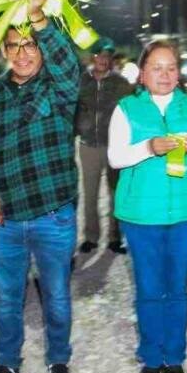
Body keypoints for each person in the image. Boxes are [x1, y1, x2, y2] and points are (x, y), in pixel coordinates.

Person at [0, 0, 81, 373]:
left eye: (28, 45)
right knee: (8, 300)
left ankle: (59, 362)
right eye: (13, 45)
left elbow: (68, 63)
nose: (22, 53)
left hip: (54, 216)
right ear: (3, 50)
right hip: (7, 220)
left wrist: (38, 18)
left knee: (57, 297)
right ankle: (8, 366)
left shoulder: (60, 87)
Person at [108, 40, 187, 373]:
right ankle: (150, 360)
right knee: (148, 289)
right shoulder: (126, 108)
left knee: (177, 289)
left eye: (171, 67)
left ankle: (174, 359)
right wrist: (149, 147)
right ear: (142, 74)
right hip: (141, 215)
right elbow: (115, 158)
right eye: (157, 68)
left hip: (186, 213)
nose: (165, 74)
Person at [75, 42, 133, 254]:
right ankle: (90, 237)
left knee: (115, 194)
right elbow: (71, 107)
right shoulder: (81, 81)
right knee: (89, 195)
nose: (102, 59)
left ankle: (115, 238)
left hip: (113, 147)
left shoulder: (121, 83)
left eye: (107, 55)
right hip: (88, 146)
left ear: (111, 59)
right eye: (99, 55)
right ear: (93, 57)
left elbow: (132, 109)